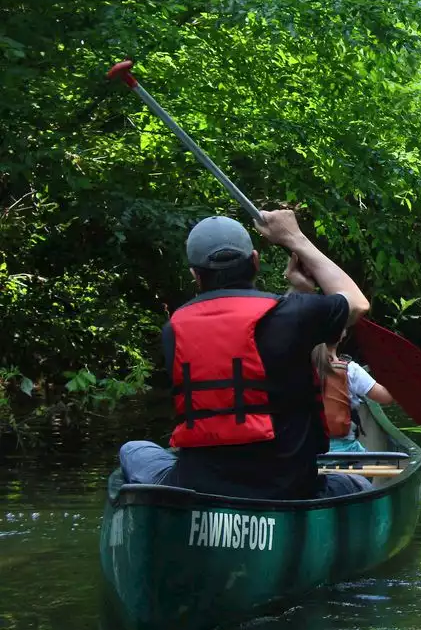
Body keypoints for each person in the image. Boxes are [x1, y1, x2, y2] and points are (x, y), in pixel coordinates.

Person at [117, 210, 375, 498]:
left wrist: (298, 293)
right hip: (289, 488)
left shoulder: (173, 331)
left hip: (198, 486)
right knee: (359, 485)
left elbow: (249, 337)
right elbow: (356, 304)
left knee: (133, 450)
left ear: (195, 275)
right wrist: (295, 239)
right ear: (254, 261)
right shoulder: (295, 315)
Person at [313, 334, 395, 453]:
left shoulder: (296, 370)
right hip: (345, 452)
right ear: (342, 335)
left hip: (305, 452)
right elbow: (387, 398)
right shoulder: (351, 370)